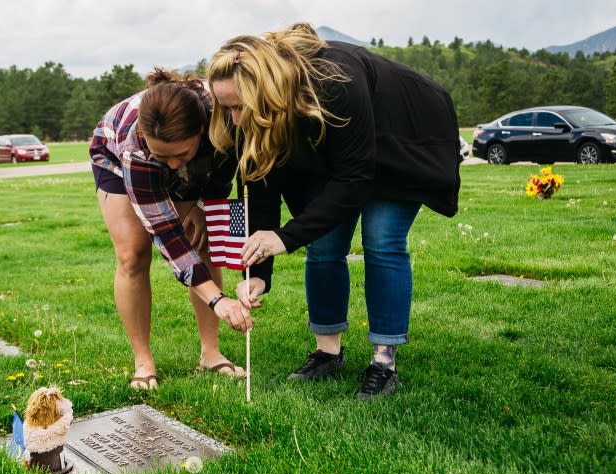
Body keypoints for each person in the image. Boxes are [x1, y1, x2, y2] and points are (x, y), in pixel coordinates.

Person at [207, 23, 461, 400]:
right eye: (224, 107)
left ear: (265, 90)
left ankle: (383, 362)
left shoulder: (334, 81)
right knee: (324, 245)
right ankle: (328, 353)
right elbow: (260, 191)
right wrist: (259, 272)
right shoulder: (247, 114)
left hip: (400, 138)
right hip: (335, 152)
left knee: (382, 239)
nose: (232, 118)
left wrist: (285, 236)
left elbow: (355, 179)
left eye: (237, 106)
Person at [90, 69, 254, 390]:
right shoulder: (136, 149)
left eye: (181, 154)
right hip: (112, 155)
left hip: (201, 153)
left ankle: (210, 353)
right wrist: (218, 300)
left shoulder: (223, 116)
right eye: (164, 155)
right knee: (133, 253)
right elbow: (166, 235)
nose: (173, 165)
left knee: (201, 240)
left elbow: (224, 172)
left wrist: (200, 205)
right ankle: (143, 360)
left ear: (200, 130)